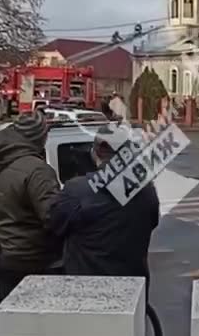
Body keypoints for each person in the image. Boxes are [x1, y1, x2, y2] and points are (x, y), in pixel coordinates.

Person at [47, 123, 159, 290]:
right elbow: (152, 222)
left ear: (98, 151)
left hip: (87, 287)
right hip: (133, 286)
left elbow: (53, 226)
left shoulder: (77, 191)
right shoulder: (146, 190)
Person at [0, 110, 62, 301]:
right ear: (39, 137)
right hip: (33, 257)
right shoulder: (38, 170)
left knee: (9, 314)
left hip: (5, 251)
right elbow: (53, 217)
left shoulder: (0, 162)